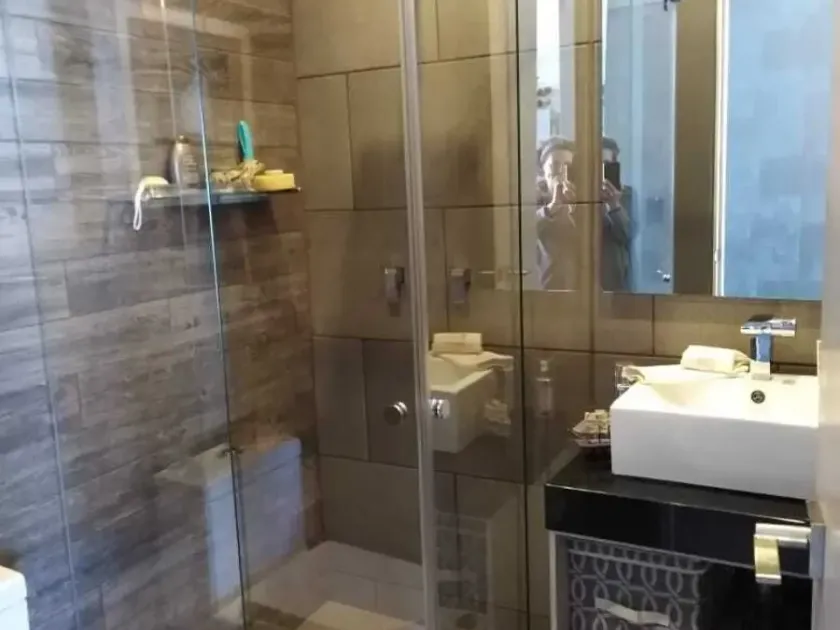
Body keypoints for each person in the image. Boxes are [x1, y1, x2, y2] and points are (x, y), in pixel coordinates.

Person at [534, 136, 632, 291]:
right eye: (554, 167)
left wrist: (612, 205)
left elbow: (627, 236)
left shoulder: (600, 198)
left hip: (604, 291)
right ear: (543, 171)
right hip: (555, 292)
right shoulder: (537, 202)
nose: (561, 174)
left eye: (567, 167)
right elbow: (524, 234)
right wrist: (553, 207)